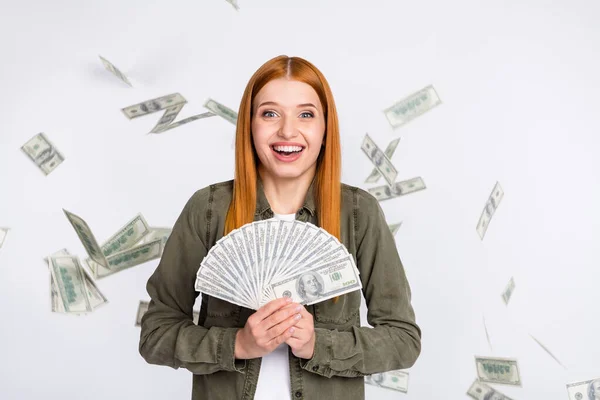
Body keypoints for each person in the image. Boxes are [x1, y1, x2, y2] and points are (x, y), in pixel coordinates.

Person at [139, 55, 421, 400]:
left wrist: (319, 344)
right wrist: (237, 343)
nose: (288, 131)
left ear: (325, 129)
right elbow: (155, 334)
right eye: (270, 113)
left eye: (306, 114)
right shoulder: (209, 209)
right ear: (249, 125)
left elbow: (403, 339)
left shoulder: (359, 213)